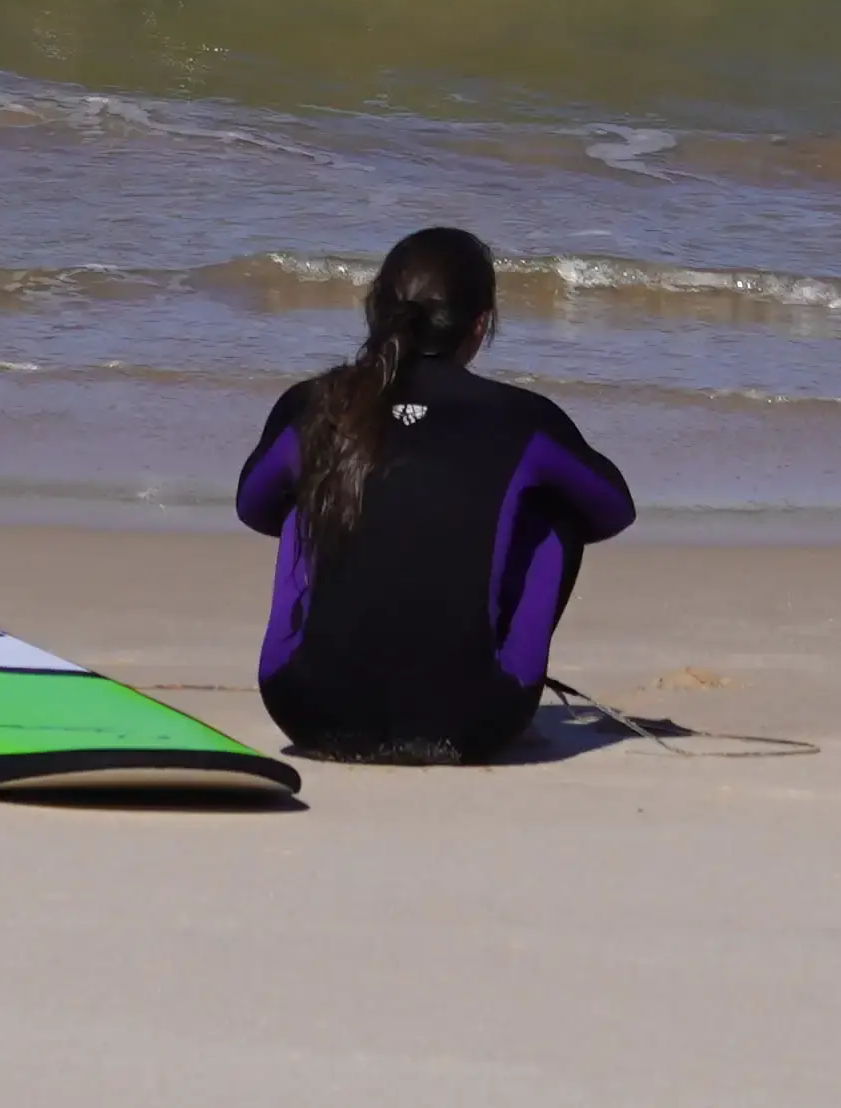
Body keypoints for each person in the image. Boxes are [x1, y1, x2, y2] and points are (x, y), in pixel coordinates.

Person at [230, 226, 636, 762]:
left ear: (377, 309)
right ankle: (499, 669)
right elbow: (610, 510)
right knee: (555, 507)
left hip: (306, 708)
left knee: (302, 496)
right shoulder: (523, 420)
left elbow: (254, 507)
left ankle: (322, 655)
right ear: (481, 325)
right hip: (477, 721)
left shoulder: (317, 405)